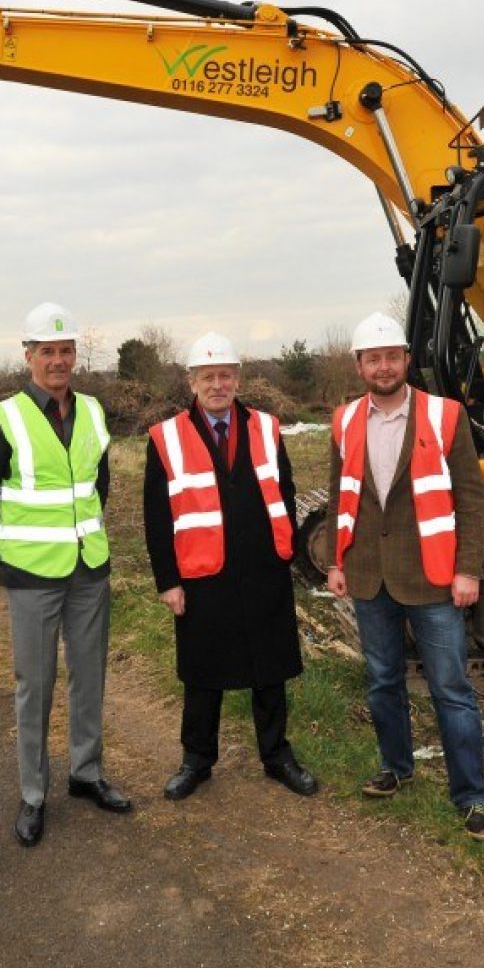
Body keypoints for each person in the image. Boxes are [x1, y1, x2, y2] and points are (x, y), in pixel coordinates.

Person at [0, 302, 132, 849]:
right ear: (28, 356)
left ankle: (86, 773)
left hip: (88, 568)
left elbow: (96, 485)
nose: (57, 361)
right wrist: (3, 560)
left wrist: (86, 535)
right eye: (47, 352)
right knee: (35, 686)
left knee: (90, 678)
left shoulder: (93, 411)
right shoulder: (4, 417)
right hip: (31, 576)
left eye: (65, 351)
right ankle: (33, 793)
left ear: (74, 355)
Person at [326, 314, 484, 842]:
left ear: (405, 360)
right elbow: (340, 497)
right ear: (359, 366)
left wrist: (468, 569)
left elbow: (470, 498)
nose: (383, 366)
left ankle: (471, 798)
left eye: (391, 356)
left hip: (433, 576)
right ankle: (397, 768)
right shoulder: (344, 420)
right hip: (369, 578)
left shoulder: (445, 417)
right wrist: (337, 560)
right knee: (382, 681)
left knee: (451, 688)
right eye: (372, 358)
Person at [141, 332, 318, 801]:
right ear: (192, 382)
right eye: (208, 377)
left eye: (225, 375)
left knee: (270, 667)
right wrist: (168, 581)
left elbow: (286, 490)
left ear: (238, 378)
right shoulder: (166, 438)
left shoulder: (266, 426)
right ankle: (196, 760)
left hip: (263, 567)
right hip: (202, 574)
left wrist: (288, 552)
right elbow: (157, 517)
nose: (217, 384)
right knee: (203, 671)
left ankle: (277, 754)